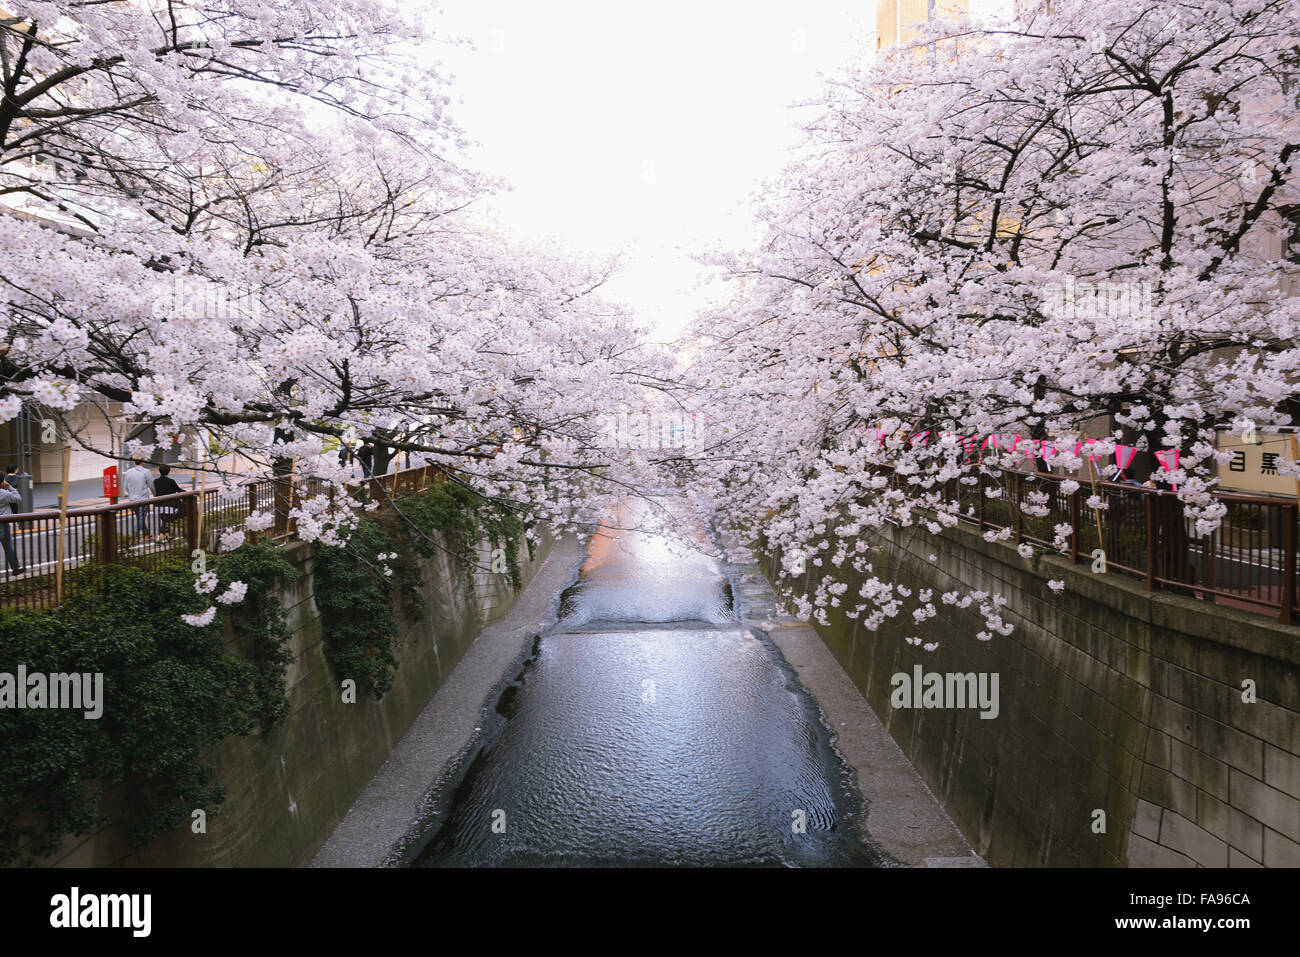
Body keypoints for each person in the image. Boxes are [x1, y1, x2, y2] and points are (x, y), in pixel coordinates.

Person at [123, 458, 155, 539]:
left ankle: (146, 534)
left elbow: (126, 487)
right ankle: (134, 535)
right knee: (141, 518)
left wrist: (131, 494)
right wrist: (155, 495)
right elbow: (152, 485)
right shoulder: (146, 471)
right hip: (142, 499)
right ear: (143, 462)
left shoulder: (129, 471)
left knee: (140, 518)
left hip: (132, 500)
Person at [0, 474, 23, 575]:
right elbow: (18, 498)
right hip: (3, 524)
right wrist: (9, 486)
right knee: (8, 547)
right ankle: (16, 568)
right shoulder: (4, 493)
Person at [153, 464, 184, 535]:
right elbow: (179, 490)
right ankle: (161, 536)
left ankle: (167, 534)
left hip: (158, 505)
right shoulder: (171, 481)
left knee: (166, 521)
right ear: (168, 472)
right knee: (181, 511)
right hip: (170, 505)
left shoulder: (155, 481)